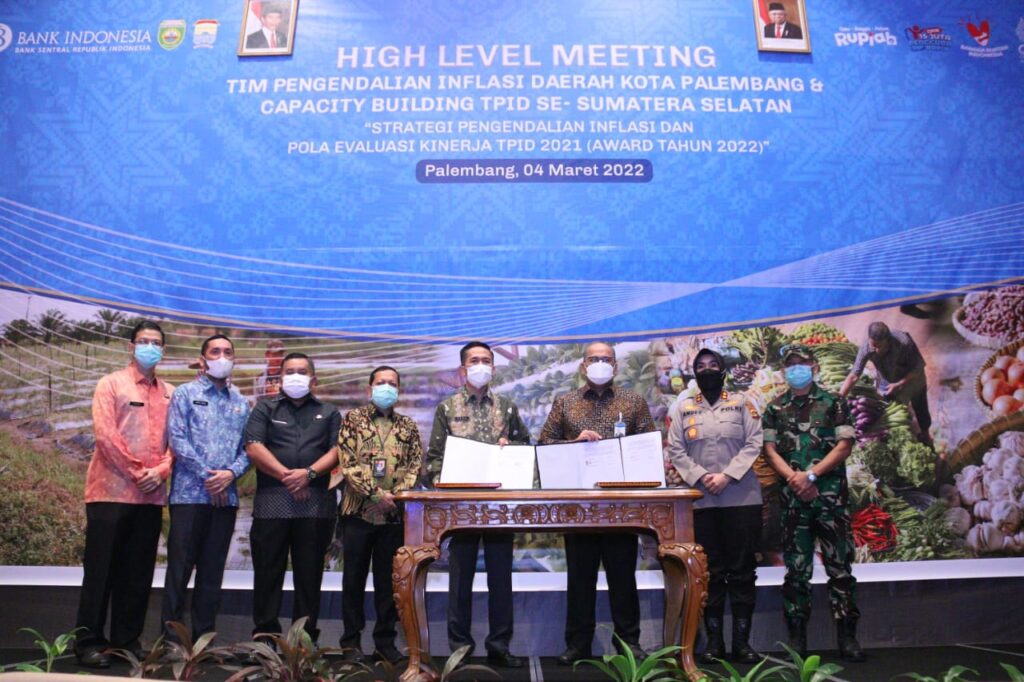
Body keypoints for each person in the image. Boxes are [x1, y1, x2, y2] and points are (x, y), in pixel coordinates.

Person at [539, 342, 654, 665]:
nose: (600, 363)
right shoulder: (565, 402)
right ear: (582, 366)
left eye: (606, 359)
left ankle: (629, 643)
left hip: (621, 507)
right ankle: (577, 644)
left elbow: (649, 444)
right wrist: (573, 444)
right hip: (579, 507)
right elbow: (544, 444)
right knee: (580, 578)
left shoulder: (633, 401)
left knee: (623, 578)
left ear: (615, 367)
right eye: (593, 359)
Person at [74, 320, 174, 669]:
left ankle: (126, 641)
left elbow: (176, 440)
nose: (150, 347)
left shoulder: (170, 393)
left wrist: (161, 470)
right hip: (110, 493)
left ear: (163, 350)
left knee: (138, 574)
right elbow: (106, 435)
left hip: (150, 496)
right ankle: (88, 642)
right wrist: (137, 471)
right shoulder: (111, 384)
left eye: (156, 342)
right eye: (144, 341)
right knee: (100, 572)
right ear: (131, 347)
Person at [425, 342, 530, 669]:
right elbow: (433, 460)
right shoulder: (447, 408)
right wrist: (445, 484)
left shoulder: (507, 407)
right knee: (460, 581)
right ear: (463, 369)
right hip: (462, 507)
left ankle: (500, 645)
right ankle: (460, 648)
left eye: (486, 360)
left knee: (501, 579)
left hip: (500, 506)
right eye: (474, 360)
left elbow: (526, 447)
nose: (481, 365)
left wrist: (510, 447)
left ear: (494, 368)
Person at [762, 344, 865, 662]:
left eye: (802, 363)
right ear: (784, 371)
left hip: (830, 501)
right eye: (790, 364)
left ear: (814, 367)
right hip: (794, 503)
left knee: (840, 570)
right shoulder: (774, 408)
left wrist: (811, 476)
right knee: (796, 574)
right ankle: (797, 638)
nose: (796, 368)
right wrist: (795, 479)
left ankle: (847, 637)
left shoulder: (834, 403)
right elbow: (770, 451)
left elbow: (844, 445)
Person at [666, 348, 763, 665]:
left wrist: (728, 476)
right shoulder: (684, 409)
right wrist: (700, 476)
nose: (707, 370)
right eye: (701, 366)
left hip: (741, 499)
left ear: (723, 371)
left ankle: (742, 643)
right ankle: (714, 643)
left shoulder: (742, 403)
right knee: (709, 573)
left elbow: (754, 443)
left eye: (713, 365)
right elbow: (676, 449)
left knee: (742, 571)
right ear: (694, 373)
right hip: (701, 501)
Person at [244, 352, 339, 643]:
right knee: (267, 574)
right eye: (290, 371)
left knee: (309, 577)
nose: (295, 376)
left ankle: (304, 641)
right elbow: (254, 446)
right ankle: (265, 638)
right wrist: (290, 476)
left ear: (314, 379)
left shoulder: (329, 412)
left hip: (315, 506)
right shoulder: (264, 408)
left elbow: (338, 451)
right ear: (280, 378)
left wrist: (308, 474)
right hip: (271, 504)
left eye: (302, 371)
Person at [162, 334, 250, 642]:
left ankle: (204, 642)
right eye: (215, 351)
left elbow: (248, 449)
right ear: (203, 360)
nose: (222, 357)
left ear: (234, 359)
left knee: (212, 575)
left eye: (227, 352)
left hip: (225, 500)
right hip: (189, 495)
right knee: (179, 572)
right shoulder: (185, 394)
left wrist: (230, 474)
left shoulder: (241, 403)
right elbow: (177, 438)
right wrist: (208, 476)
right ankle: (170, 643)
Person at [337, 366, 423, 664]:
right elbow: (348, 464)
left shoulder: (408, 425)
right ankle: (350, 643)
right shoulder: (352, 419)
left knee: (389, 583)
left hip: (393, 516)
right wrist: (376, 495)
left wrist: (393, 498)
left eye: (392, 383)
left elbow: (414, 466)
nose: (387, 387)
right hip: (358, 512)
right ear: (369, 388)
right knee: (354, 580)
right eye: (381, 382)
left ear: (399, 390)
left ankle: (385, 642)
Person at [839, 322, 932, 445]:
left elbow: (918, 368)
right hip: (888, 380)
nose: (876, 350)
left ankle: (925, 434)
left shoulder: (904, 343)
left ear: (888, 341)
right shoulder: (867, 348)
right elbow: (854, 376)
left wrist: (899, 384)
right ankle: (907, 432)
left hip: (913, 379)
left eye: (880, 346)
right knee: (892, 408)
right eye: (874, 346)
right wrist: (839, 397)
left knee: (920, 406)